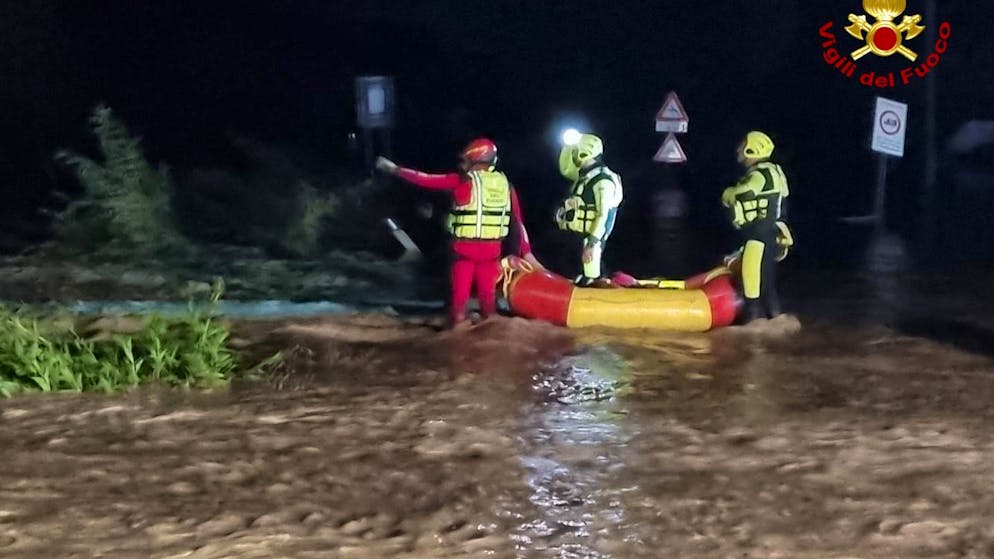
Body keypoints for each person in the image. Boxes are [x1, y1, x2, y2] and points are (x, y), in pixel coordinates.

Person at [375, 138, 544, 328]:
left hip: (464, 252)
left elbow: (425, 179)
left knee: (459, 304)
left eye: (465, 161)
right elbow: (517, 222)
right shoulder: (507, 185)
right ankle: (491, 334)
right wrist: (524, 253)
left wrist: (395, 170)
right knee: (488, 303)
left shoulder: (462, 181)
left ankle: (458, 335)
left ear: (474, 160)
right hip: (491, 252)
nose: (462, 164)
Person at [721, 130, 791, 322]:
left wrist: (728, 193)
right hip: (771, 236)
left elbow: (743, 193)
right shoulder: (776, 172)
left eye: (743, 146)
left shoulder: (760, 175)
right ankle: (777, 323)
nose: (739, 150)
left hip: (757, 237)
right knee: (768, 286)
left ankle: (753, 331)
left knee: (751, 287)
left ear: (752, 150)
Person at [555, 132, 624, 286]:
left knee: (591, 275)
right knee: (581, 275)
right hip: (578, 236)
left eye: (575, 150)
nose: (573, 153)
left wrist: (592, 243)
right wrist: (567, 147)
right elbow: (565, 169)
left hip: (592, 237)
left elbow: (603, 214)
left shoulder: (603, 180)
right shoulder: (585, 175)